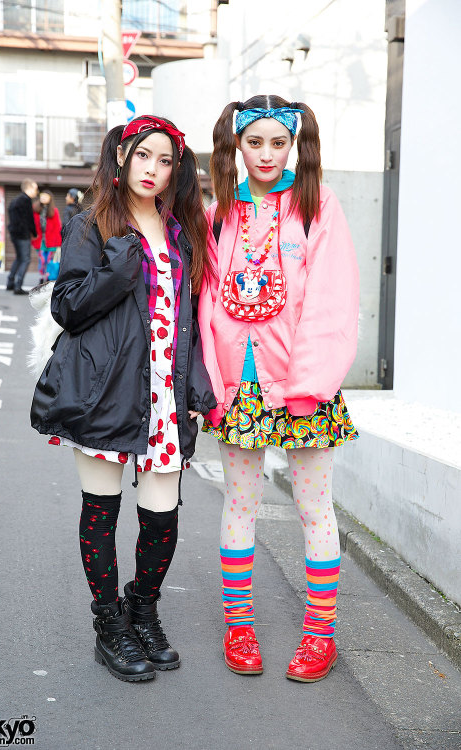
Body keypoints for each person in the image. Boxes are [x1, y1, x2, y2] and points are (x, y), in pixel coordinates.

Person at [30, 117, 216, 682]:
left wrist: (199, 391)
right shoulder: (92, 224)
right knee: (102, 512)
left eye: (164, 161)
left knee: (162, 517)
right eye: (143, 157)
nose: (153, 170)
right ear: (122, 159)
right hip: (104, 389)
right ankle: (109, 625)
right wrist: (119, 268)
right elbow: (67, 305)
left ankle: (144, 609)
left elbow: (191, 320)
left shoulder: (183, 233)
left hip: (165, 391)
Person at [198, 95, 359, 682]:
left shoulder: (318, 207)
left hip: (304, 386)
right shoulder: (218, 213)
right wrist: (210, 387)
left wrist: (310, 385)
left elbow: (333, 301)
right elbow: (207, 305)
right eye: (254, 142)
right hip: (237, 388)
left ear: (295, 145)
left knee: (314, 505)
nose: (266, 154)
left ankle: (321, 634)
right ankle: (238, 627)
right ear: (236, 146)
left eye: (278, 142)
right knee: (240, 503)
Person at [6, 179, 39, 294]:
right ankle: (17, 286)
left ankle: (10, 282)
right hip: (22, 234)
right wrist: (34, 233)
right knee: (25, 259)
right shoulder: (25, 200)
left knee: (19, 258)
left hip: (14, 233)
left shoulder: (15, 200)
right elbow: (29, 219)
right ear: (29, 188)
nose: (37, 191)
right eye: (35, 189)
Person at [32, 190, 62, 285]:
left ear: (50, 199)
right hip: (40, 241)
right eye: (42, 196)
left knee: (49, 260)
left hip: (51, 241)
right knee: (42, 260)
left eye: (46, 197)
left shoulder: (54, 211)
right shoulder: (35, 210)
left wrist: (58, 242)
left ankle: (48, 277)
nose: (43, 198)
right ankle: (41, 277)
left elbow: (58, 227)